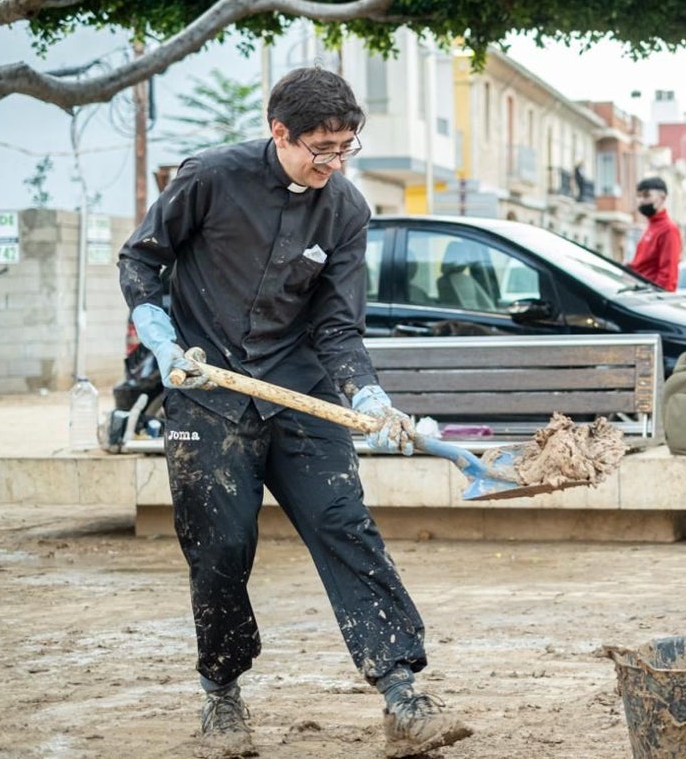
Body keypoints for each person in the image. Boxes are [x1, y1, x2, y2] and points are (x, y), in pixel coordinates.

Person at [118, 67, 473, 759]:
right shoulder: (210, 177)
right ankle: (221, 693)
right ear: (279, 133)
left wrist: (367, 394)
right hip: (206, 387)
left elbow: (338, 326)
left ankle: (401, 691)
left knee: (345, 524)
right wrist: (159, 338)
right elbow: (142, 259)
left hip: (298, 392)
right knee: (219, 546)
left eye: (347, 148)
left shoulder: (345, 210)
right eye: (322, 149)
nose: (334, 163)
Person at [628, 176, 682, 291]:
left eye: (647, 196)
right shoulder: (650, 227)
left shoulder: (668, 229)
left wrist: (658, 300)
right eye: (639, 196)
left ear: (662, 198)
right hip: (640, 293)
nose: (641, 200)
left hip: (651, 299)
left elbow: (668, 276)